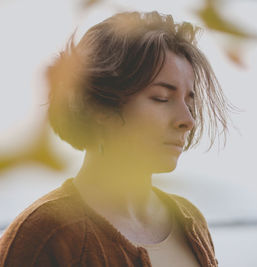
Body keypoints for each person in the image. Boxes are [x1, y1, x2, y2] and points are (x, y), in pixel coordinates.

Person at [0, 11, 232, 266]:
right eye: (161, 98)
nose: (188, 120)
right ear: (101, 107)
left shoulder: (190, 220)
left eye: (190, 101)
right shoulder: (43, 234)